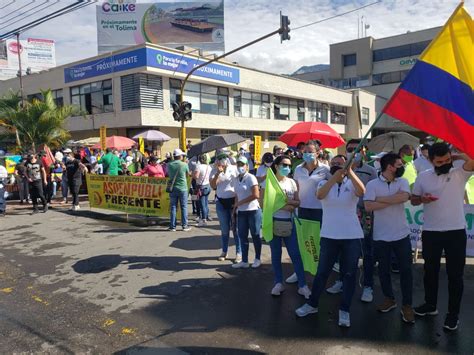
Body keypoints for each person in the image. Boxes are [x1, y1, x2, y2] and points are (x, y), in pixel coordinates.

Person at [295, 155, 365, 327]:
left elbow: (362, 192)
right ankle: (312, 304)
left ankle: (345, 309)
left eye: (340, 164)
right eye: (333, 163)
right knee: (322, 273)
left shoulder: (352, 183)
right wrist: (336, 177)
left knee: (349, 275)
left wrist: (350, 173)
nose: (336, 165)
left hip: (351, 236)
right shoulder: (323, 183)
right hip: (329, 236)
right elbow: (320, 195)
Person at [411, 143, 474, 331]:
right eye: (440, 161)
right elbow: (414, 199)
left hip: (455, 232)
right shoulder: (423, 177)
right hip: (431, 232)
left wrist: (455, 156)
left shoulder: (459, 173)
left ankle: (453, 315)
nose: (445, 163)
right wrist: (423, 199)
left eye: (447, 159)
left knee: (456, 275)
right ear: (431, 161)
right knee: (430, 272)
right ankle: (430, 305)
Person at [364, 153, 414, 324]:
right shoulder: (372, 184)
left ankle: (407, 305)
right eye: (399, 165)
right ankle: (389, 299)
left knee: (406, 271)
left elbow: (405, 197)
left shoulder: (403, 181)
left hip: (401, 234)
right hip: (380, 236)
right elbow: (368, 206)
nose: (402, 167)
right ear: (389, 166)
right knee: (384, 270)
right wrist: (393, 199)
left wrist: (381, 200)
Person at [327, 139, 377, 303]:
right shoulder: (340, 169)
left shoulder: (370, 171)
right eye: (350, 149)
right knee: (342, 251)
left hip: (365, 215)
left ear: (363, 151)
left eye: (357, 149)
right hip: (344, 215)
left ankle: (368, 286)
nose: (353, 152)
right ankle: (341, 280)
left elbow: (370, 193)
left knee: (367, 252)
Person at [266, 155, 311, 299]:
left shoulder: (292, 182)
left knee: (296, 255)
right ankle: (278, 283)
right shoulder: (269, 182)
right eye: (284, 164)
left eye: (289, 165)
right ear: (276, 165)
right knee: (276, 255)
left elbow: (298, 202)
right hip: (273, 223)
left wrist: (290, 203)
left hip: (290, 224)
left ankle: (302, 285)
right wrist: (286, 206)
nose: (287, 167)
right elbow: (264, 203)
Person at [290, 140, 330, 284]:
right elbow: (296, 189)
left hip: (319, 211)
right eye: (305, 151)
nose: (306, 154)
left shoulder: (325, 169)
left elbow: (330, 187)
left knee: (318, 243)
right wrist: (294, 206)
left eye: (310, 151)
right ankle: (300, 271)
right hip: (302, 209)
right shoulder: (298, 169)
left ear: (318, 153)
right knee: (302, 242)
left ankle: (319, 272)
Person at [232, 156, 262, 269]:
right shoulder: (235, 179)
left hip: (253, 210)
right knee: (242, 235)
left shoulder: (251, 177)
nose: (240, 167)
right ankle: (244, 261)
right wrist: (234, 210)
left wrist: (240, 203)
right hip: (242, 212)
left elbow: (256, 195)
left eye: (242, 164)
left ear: (247, 166)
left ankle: (257, 258)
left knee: (255, 234)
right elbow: (236, 195)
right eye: (238, 164)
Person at [210, 154, 241, 262]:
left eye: (223, 159)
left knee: (236, 229)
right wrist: (218, 173)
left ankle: (239, 252)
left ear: (227, 160)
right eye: (219, 160)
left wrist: (238, 201)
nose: (221, 162)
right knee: (224, 229)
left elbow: (239, 182)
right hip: (221, 202)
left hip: (233, 201)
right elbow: (213, 185)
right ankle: (224, 251)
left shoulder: (234, 169)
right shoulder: (214, 170)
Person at [167, 148, 191, 232]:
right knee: (184, 207)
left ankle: (172, 226)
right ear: (180, 156)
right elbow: (188, 175)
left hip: (172, 188)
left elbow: (168, 174)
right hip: (182, 188)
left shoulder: (169, 164)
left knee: (173, 207)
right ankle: (184, 225)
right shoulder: (184, 165)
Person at [193, 154, 212, 227]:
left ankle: (204, 220)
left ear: (200, 160)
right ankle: (206, 216)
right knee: (206, 203)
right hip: (207, 185)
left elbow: (196, 176)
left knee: (202, 204)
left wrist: (193, 175)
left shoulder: (199, 166)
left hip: (201, 186)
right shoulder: (209, 167)